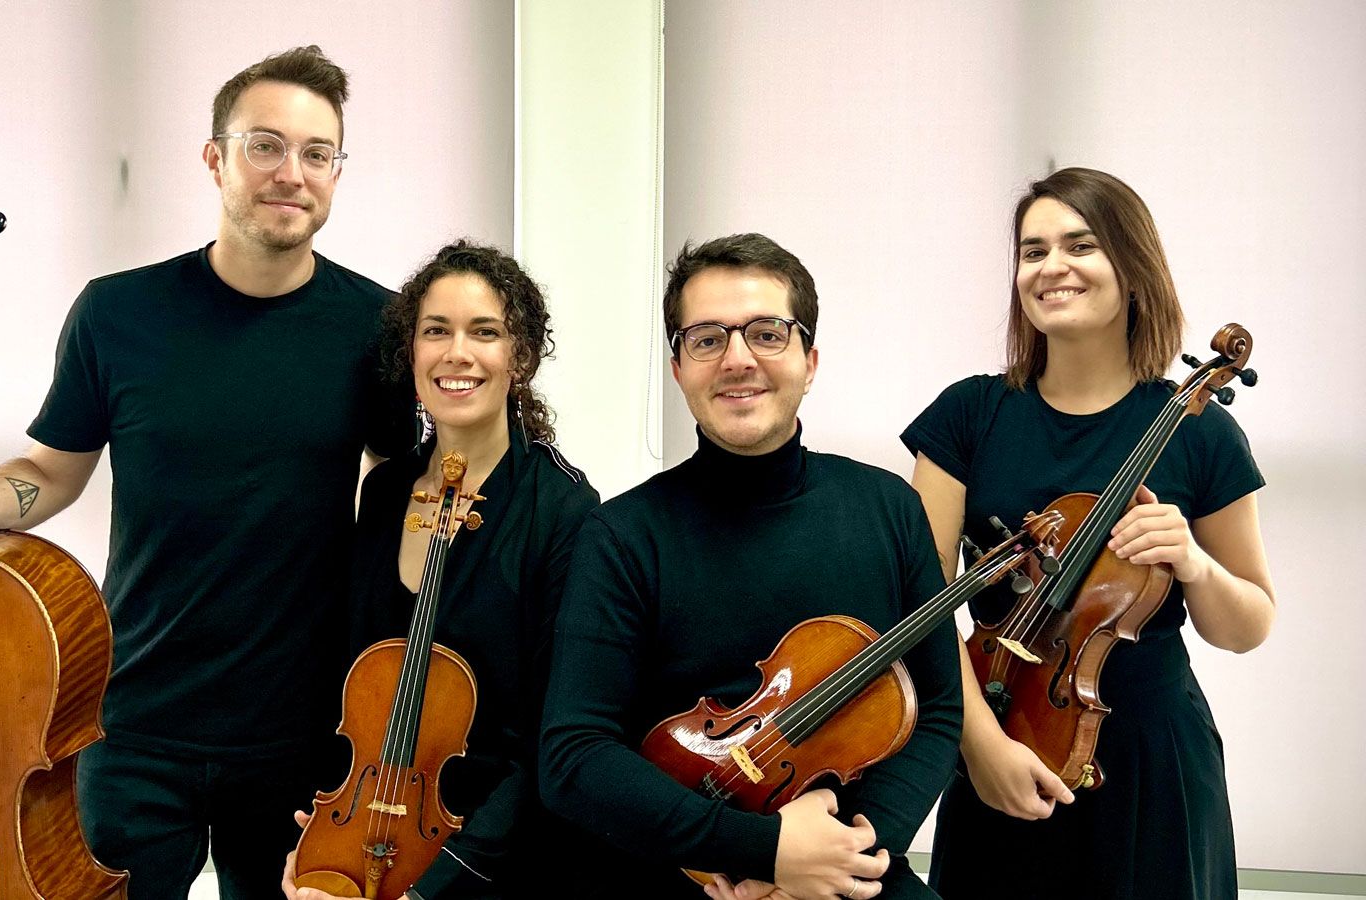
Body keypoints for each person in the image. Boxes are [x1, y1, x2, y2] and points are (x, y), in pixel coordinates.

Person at [0, 45, 410, 900]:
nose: (290, 172)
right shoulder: (118, 314)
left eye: (316, 152)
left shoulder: (378, 326)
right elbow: (50, 470)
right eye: (264, 145)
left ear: (338, 171)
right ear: (215, 158)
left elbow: (408, 485)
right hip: (135, 721)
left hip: (308, 729)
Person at [539, 233, 962, 900]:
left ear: (809, 359)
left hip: (849, 864)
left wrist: (846, 852)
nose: (737, 359)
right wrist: (765, 852)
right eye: (707, 339)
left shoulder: (888, 508)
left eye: (766, 333)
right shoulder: (621, 535)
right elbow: (573, 755)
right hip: (685, 870)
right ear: (679, 368)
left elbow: (937, 708)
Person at [903, 167, 1275, 899]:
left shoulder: (1201, 432)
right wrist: (979, 746)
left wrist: (1193, 564)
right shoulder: (967, 417)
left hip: (1154, 757)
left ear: (1131, 268)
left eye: (1080, 245)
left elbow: (1248, 626)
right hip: (1004, 733)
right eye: (1033, 251)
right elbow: (919, 603)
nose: (1052, 268)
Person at [283, 241, 599, 899]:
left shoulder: (564, 511)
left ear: (522, 356)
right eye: (436, 331)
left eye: (485, 332)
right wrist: (320, 841)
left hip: (497, 862)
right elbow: (349, 695)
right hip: (371, 833)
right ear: (413, 354)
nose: (458, 352)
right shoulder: (386, 490)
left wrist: (434, 890)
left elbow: (555, 742)